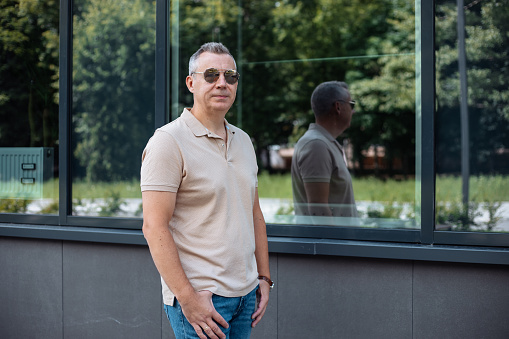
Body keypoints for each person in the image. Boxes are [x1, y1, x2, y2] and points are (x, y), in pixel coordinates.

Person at [140, 42, 271, 339]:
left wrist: (264, 277)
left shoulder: (244, 141)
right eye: (211, 75)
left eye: (230, 76)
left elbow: (255, 214)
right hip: (204, 300)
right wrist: (188, 299)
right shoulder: (168, 142)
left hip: (246, 296)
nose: (222, 83)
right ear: (191, 82)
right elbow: (154, 226)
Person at [291, 81, 358, 220]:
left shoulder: (323, 143)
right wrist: (335, 242)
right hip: (332, 242)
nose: (354, 111)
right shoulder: (316, 145)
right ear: (338, 107)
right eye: (351, 105)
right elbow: (318, 210)